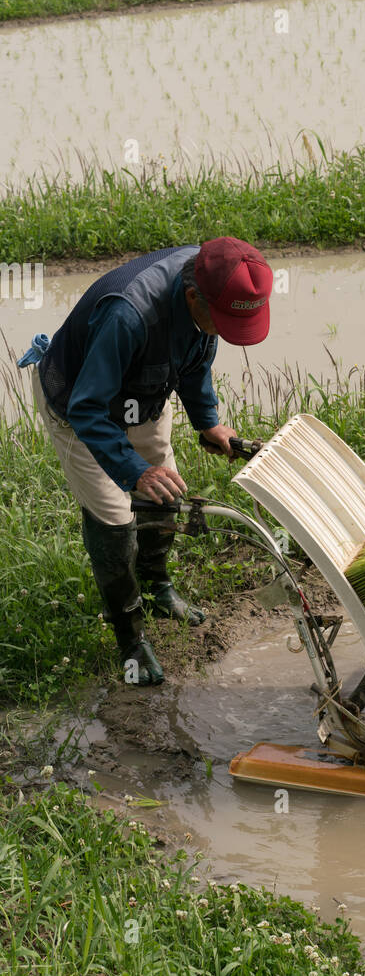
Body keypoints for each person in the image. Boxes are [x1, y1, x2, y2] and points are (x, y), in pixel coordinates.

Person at [18, 237, 274, 688]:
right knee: (116, 520)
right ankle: (130, 640)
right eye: (225, 320)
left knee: (165, 493)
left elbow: (197, 355)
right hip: (82, 406)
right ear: (194, 297)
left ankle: (155, 587)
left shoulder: (211, 276)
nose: (226, 331)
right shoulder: (128, 314)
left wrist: (208, 422)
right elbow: (86, 408)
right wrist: (134, 470)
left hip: (144, 396)